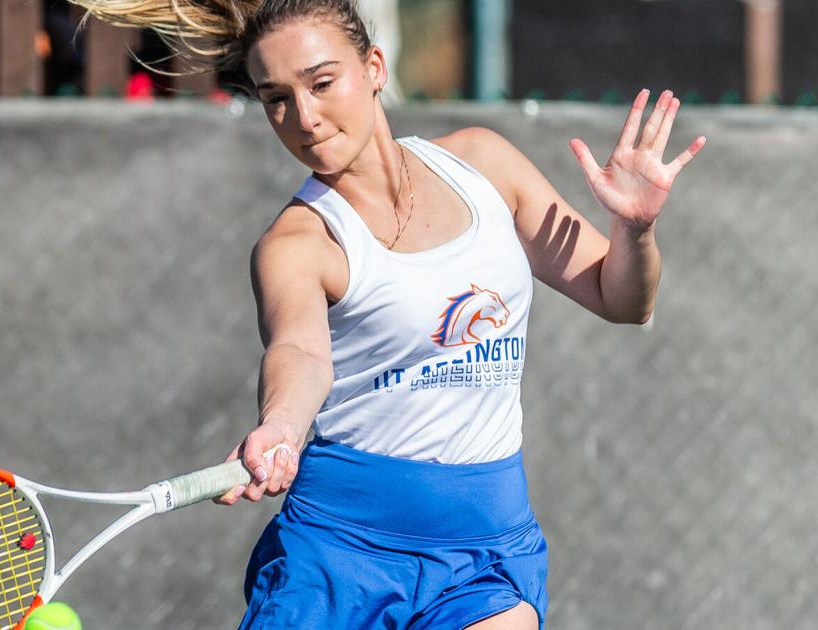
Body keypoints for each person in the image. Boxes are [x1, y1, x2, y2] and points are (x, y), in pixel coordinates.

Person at [70, 1, 704, 628]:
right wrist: (280, 428)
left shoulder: (484, 163)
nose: (304, 118)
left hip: (486, 549)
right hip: (339, 558)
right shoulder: (298, 243)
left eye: (322, 83)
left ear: (374, 66)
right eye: (277, 99)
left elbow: (622, 298)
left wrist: (636, 228)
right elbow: (299, 352)